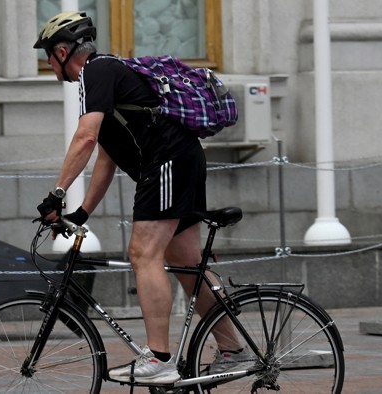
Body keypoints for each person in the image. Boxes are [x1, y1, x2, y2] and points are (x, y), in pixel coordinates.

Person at [34, 11, 248, 385]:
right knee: (185, 263)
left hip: (167, 163)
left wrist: (56, 194)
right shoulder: (107, 75)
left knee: (143, 253)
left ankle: (159, 359)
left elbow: (85, 137)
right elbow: (107, 156)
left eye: (49, 57)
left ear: (63, 52)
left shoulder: (95, 72)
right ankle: (233, 351)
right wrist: (82, 212)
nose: (50, 66)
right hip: (181, 160)